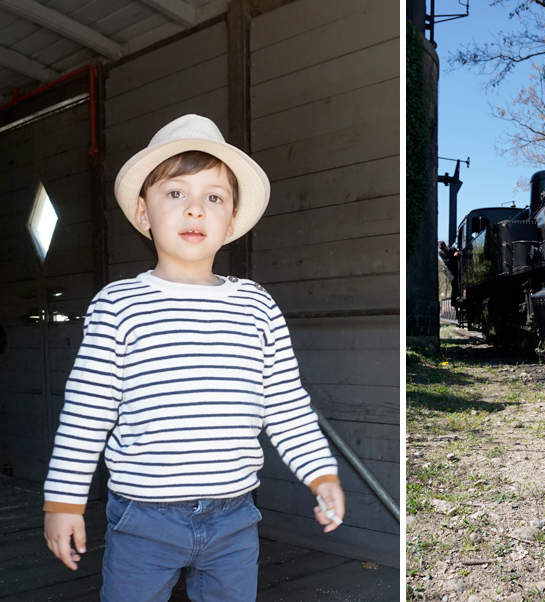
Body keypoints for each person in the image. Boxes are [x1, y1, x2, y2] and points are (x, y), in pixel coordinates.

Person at [41, 114, 346, 600]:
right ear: (144, 214)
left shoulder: (257, 306)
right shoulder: (120, 305)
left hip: (235, 517)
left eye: (214, 198)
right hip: (144, 518)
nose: (196, 210)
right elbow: (86, 413)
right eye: (176, 193)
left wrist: (321, 473)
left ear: (231, 221)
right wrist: (63, 502)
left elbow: (286, 406)